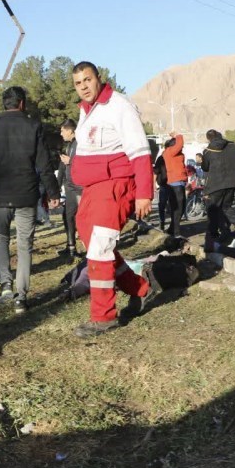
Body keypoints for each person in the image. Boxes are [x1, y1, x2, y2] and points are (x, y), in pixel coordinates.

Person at [67, 62, 158, 337]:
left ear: (98, 79)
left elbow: (140, 152)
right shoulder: (86, 111)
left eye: (87, 79)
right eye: (78, 82)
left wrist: (144, 193)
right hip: (92, 191)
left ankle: (103, 316)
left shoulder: (119, 106)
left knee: (99, 249)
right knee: (94, 245)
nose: (83, 86)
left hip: (115, 187)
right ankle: (142, 289)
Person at [0, 85, 61, 314]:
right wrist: (53, 193)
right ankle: (21, 297)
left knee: (0, 239)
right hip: (26, 195)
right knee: (24, 246)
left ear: (6, 104)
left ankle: (5, 286)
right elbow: (44, 164)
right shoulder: (33, 126)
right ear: (22, 104)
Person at [201, 129, 235, 250]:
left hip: (215, 185)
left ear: (209, 139)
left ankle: (214, 238)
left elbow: (205, 168)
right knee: (226, 207)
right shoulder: (233, 146)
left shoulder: (208, 151)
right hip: (231, 183)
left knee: (213, 210)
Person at [57, 119, 82, 257]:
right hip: (70, 186)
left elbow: (87, 162)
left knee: (77, 217)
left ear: (70, 130)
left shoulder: (80, 144)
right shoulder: (69, 145)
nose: (61, 134)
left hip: (78, 187)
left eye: (62, 130)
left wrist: (71, 161)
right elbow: (62, 166)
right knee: (67, 215)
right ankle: (70, 246)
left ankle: (80, 247)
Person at [161, 132, 187, 238]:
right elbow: (180, 143)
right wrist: (177, 135)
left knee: (179, 209)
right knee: (178, 210)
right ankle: (176, 234)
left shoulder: (175, 154)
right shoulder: (169, 152)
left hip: (178, 184)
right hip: (175, 185)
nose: (182, 147)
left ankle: (172, 230)